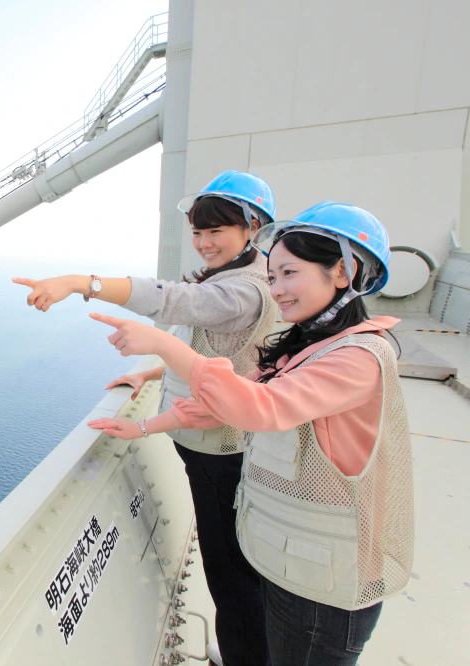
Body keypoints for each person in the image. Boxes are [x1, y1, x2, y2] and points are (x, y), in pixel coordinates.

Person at [88, 202, 413, 666]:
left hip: (327, 587)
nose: (276, 290)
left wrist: (162, 343)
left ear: (344, 272)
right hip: (297, 567)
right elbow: (223, 405)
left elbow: (259, 407)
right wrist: (142, 425)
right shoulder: (308, 348)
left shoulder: (358, 358)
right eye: (273, 275)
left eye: (288, 274)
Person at [14, 170, 278, 666]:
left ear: (252, 227)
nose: (203, 243)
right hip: (208, 436)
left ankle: (248, 656)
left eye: (215, 231)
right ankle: (249, 648)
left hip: (218, 448)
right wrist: (154, 371)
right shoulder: (246, 275)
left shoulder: (243, 290)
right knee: (234, 563)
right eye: (197, 232)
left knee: (229, 571)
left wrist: (78, 282)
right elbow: (222, 353)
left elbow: (173, 301)